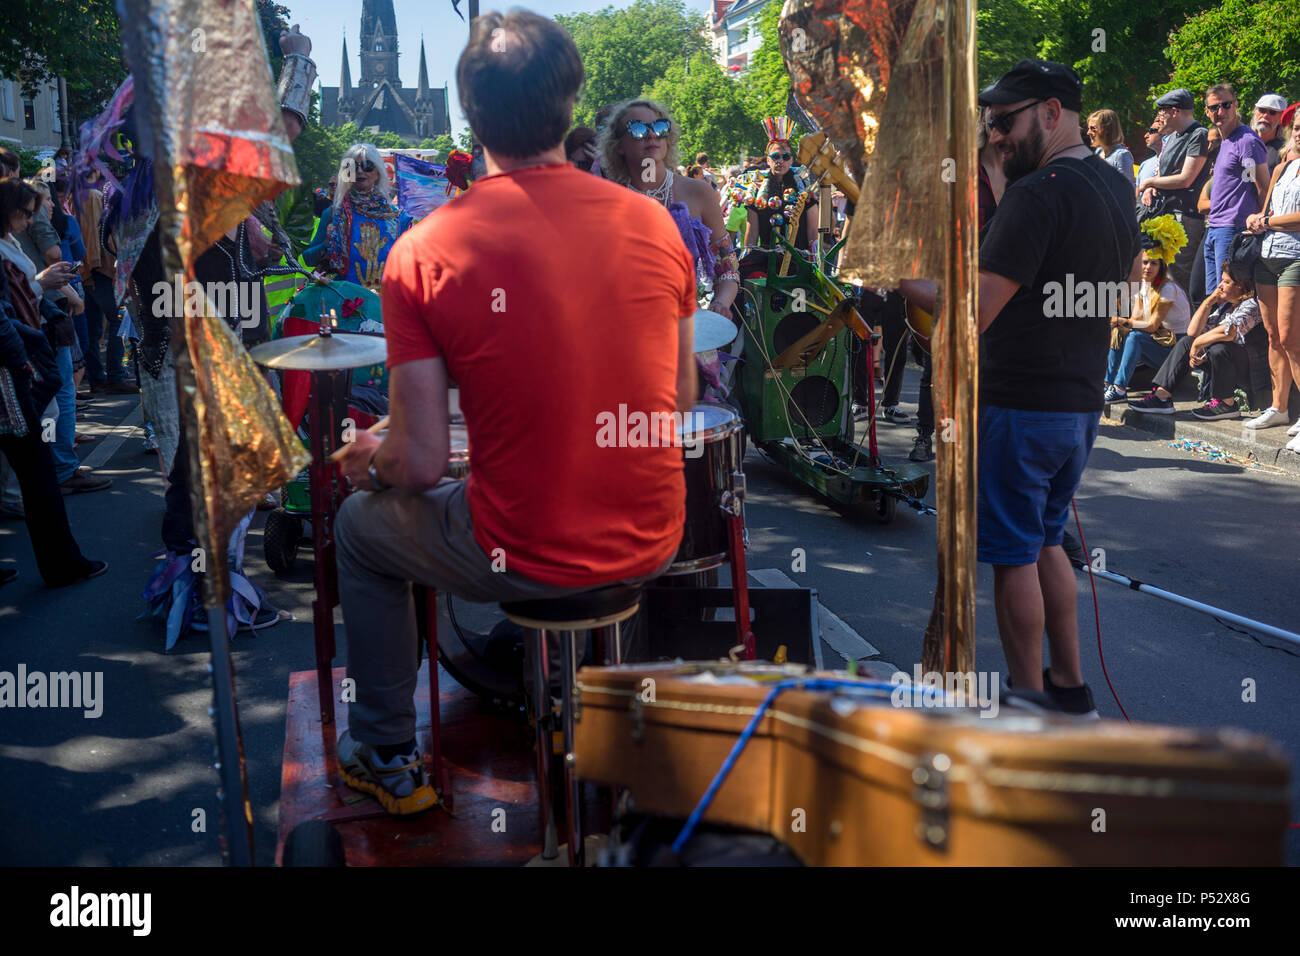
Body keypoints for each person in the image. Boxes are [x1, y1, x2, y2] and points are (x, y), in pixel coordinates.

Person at [332, 10, 697, 815]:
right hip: (654, 533)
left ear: (471, 115)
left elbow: (420, 464)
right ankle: (597, 725)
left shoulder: (423, 250)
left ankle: (387, 749)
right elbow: (681, 399)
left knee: (359, 530)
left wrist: (373, 458)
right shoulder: (654, 225)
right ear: (571, 108)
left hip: (523, 547)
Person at [901, 59, 1141, 715]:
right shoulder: (1113, 185)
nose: (995, 136)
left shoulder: (1041, 195)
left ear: (1051, 113)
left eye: (1004, 122)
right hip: (1077, 403)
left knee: (1012, 555)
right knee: (1044, 542)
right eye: (989, 124)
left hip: (1020, 404)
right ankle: (1068, 686)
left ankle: (1028, 697)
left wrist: (905, 283)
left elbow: (973, 314)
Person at [0, 177, 108, 587]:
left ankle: (63, 562)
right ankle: (63, 565)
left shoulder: (8, 241)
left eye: (34, 212)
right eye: (25, 212)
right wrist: (30, 366)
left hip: (16, 365)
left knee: (36, 471)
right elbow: (5, 320)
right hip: (10, 377)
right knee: (38, 474)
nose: (29, 220)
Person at [597, 99, 739, 322]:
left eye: (659, 127)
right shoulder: (606, 204)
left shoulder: (699, 192)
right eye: (638, 129)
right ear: (619, 146)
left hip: (691, 334)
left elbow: (727, 266)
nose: (651, 135)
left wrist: (721, 304)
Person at [1127, 263, 1260, 420]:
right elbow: (1192, 332)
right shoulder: (1226, 307)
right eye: (1221, 281)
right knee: (1187, 341)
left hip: (1248, 371)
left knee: (1218, 347)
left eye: (1226, 282)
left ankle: (1227, 404)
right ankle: (1162, 397)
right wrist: (1207, 303)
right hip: (1226, 366)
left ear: (1240, 286)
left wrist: (1198, 343)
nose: (1220, 286)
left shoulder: (1252, 304)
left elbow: (1230, 332)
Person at [1242, 109, 1300, 443]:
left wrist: (1269, 222)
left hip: (1295, 257)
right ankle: (1280, 408)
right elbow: (1266, 211)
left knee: (1293, 337)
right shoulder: (1281, 166)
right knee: (1273, 335)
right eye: (1296, 127)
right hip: (1267, 254)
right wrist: (1256, 219)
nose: (1298, 132)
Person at [1103, 216, 1191, 402]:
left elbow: (1151, 326)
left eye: (1154, 263)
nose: (1148, 267)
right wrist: (1120, 324)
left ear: (1161, 266)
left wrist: (1120, 320)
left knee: (1133, 334)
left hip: (1175, 350)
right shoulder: (1144, 286)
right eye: (1145, 262)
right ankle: (1106, 383)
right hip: (1158, 343)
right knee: (1123, 331)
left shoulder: (1168, 289)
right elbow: (1134, 320)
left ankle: (1119, 389)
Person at [301, 143, 412, 289]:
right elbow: (308, 259)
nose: (359, 170)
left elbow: (409, 267)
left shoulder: (398, 218)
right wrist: (328, 242)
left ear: (378, 172)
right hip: (342, 303)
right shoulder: (334, 214)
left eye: (367, 166)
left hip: (383, 304)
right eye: (353, 166)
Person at [1140, 89, 1211, 294]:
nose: (1159, 116)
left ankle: (1183, 325)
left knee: (1178, 275)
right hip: (1164, 215)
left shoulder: (1199, 135)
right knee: (1160, 273)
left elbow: (1185, 178)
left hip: (1186, 217)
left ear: (1174, 111)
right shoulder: (1171, 138)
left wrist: (1149, 182)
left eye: (1162, 110)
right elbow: (1163, 172)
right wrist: (1152, 187)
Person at [1202, 84, 1269, 300]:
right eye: (1214, 107)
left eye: (1226, 105)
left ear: (1236, 105)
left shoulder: (1246, 141)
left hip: (1233, 228)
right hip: (1215, 227)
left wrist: (1261, 224)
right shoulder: (1226, 141)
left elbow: (1263, 186)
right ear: (1206, 111)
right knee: (1210, 296)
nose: (1220, 111)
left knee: (1227, 298)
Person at [731, 117, 819, 257]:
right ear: (768, 160)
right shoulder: (757, 191)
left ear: (791, 160)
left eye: (785, 157)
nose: (780, 161)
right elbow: (751, 232)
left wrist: (814, 259)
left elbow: (813, 231)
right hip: (766, 260)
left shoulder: (804, 188)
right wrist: (746, 259)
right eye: (775, 156)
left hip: (800, 260)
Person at [1088, 109, 1134, 188]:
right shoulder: (1098, 152)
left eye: (1093, 128)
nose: (1088, 132)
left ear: (1107, 129)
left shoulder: (1121, 155)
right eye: (1089, 128)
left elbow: (1127, 192)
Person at [1253, 93, 1290, 172]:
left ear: (1281, 119)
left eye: (1272, 112)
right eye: (1262, 110)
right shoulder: (1242, 141)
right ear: (1255, 113)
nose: (1265, 115)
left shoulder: (1284, 151)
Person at [1135, 122, 1164, 190]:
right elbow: (1137, 195)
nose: (1146, 135)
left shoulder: (1175, 162)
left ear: (1164, 133)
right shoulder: (1144, 164)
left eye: (1151, 131)